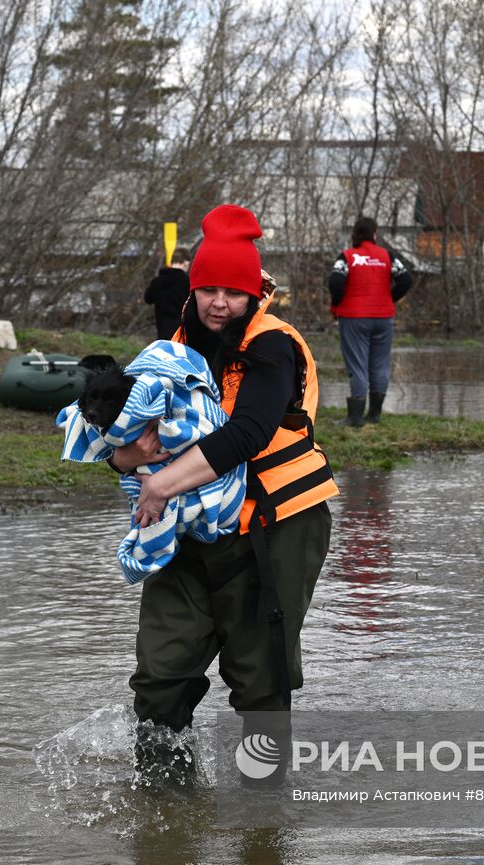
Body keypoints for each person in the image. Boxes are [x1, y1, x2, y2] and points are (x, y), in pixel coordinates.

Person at [112, 204, 339, 785]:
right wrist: (126, 457)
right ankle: (167, 817)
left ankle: (263, 824)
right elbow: (126, 438)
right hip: (190, 529)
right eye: (207, 288)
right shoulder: (174, 348)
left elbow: (249, 433)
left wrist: (160, 481)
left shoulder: (273, 347)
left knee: (260, 678)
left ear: (254, 292)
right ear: (192, 290)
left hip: (276, 524)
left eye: (233, 292)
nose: (219, 303)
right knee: (161, 674)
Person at [328, 216, 414, 427]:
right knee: (380, 365)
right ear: (375, 234)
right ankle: (374, 414)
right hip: (383, 318)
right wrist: (388, 298)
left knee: (358, 365)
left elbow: (335, 281)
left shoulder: (347, 257)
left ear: (354, 235)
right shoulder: (387, 256)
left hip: (354, 317)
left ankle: (355, 417)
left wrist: (338, 303)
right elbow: (406, 279)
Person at [144, 246, 191, 340]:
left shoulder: (157, 281)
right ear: (186, 263)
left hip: (161, 333)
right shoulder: (187, 282)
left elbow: (148, 299)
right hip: (181, 335)